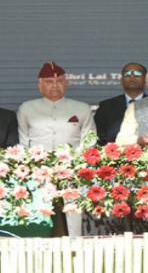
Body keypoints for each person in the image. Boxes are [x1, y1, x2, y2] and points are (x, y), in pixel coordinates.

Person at [17, 62, 94, 237]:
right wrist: (30, 168)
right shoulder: (27, 108)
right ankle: (38, 245)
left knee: (74, 214)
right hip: (38, 171)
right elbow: (23, 141)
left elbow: (89, 141)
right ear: (39, 85)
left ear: (66, 83)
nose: (54, 85)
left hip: (72, 171)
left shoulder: (81, 108)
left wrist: (76, 166)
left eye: (59, 81)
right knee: (39, 213)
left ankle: (74, 246)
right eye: (49, 82)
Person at [94, 62, 147, 145]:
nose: (132, 77)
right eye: (127, 74)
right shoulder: (106, 106)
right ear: (121, 80)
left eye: (137, 74)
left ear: (146, 79)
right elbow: (99, 136)